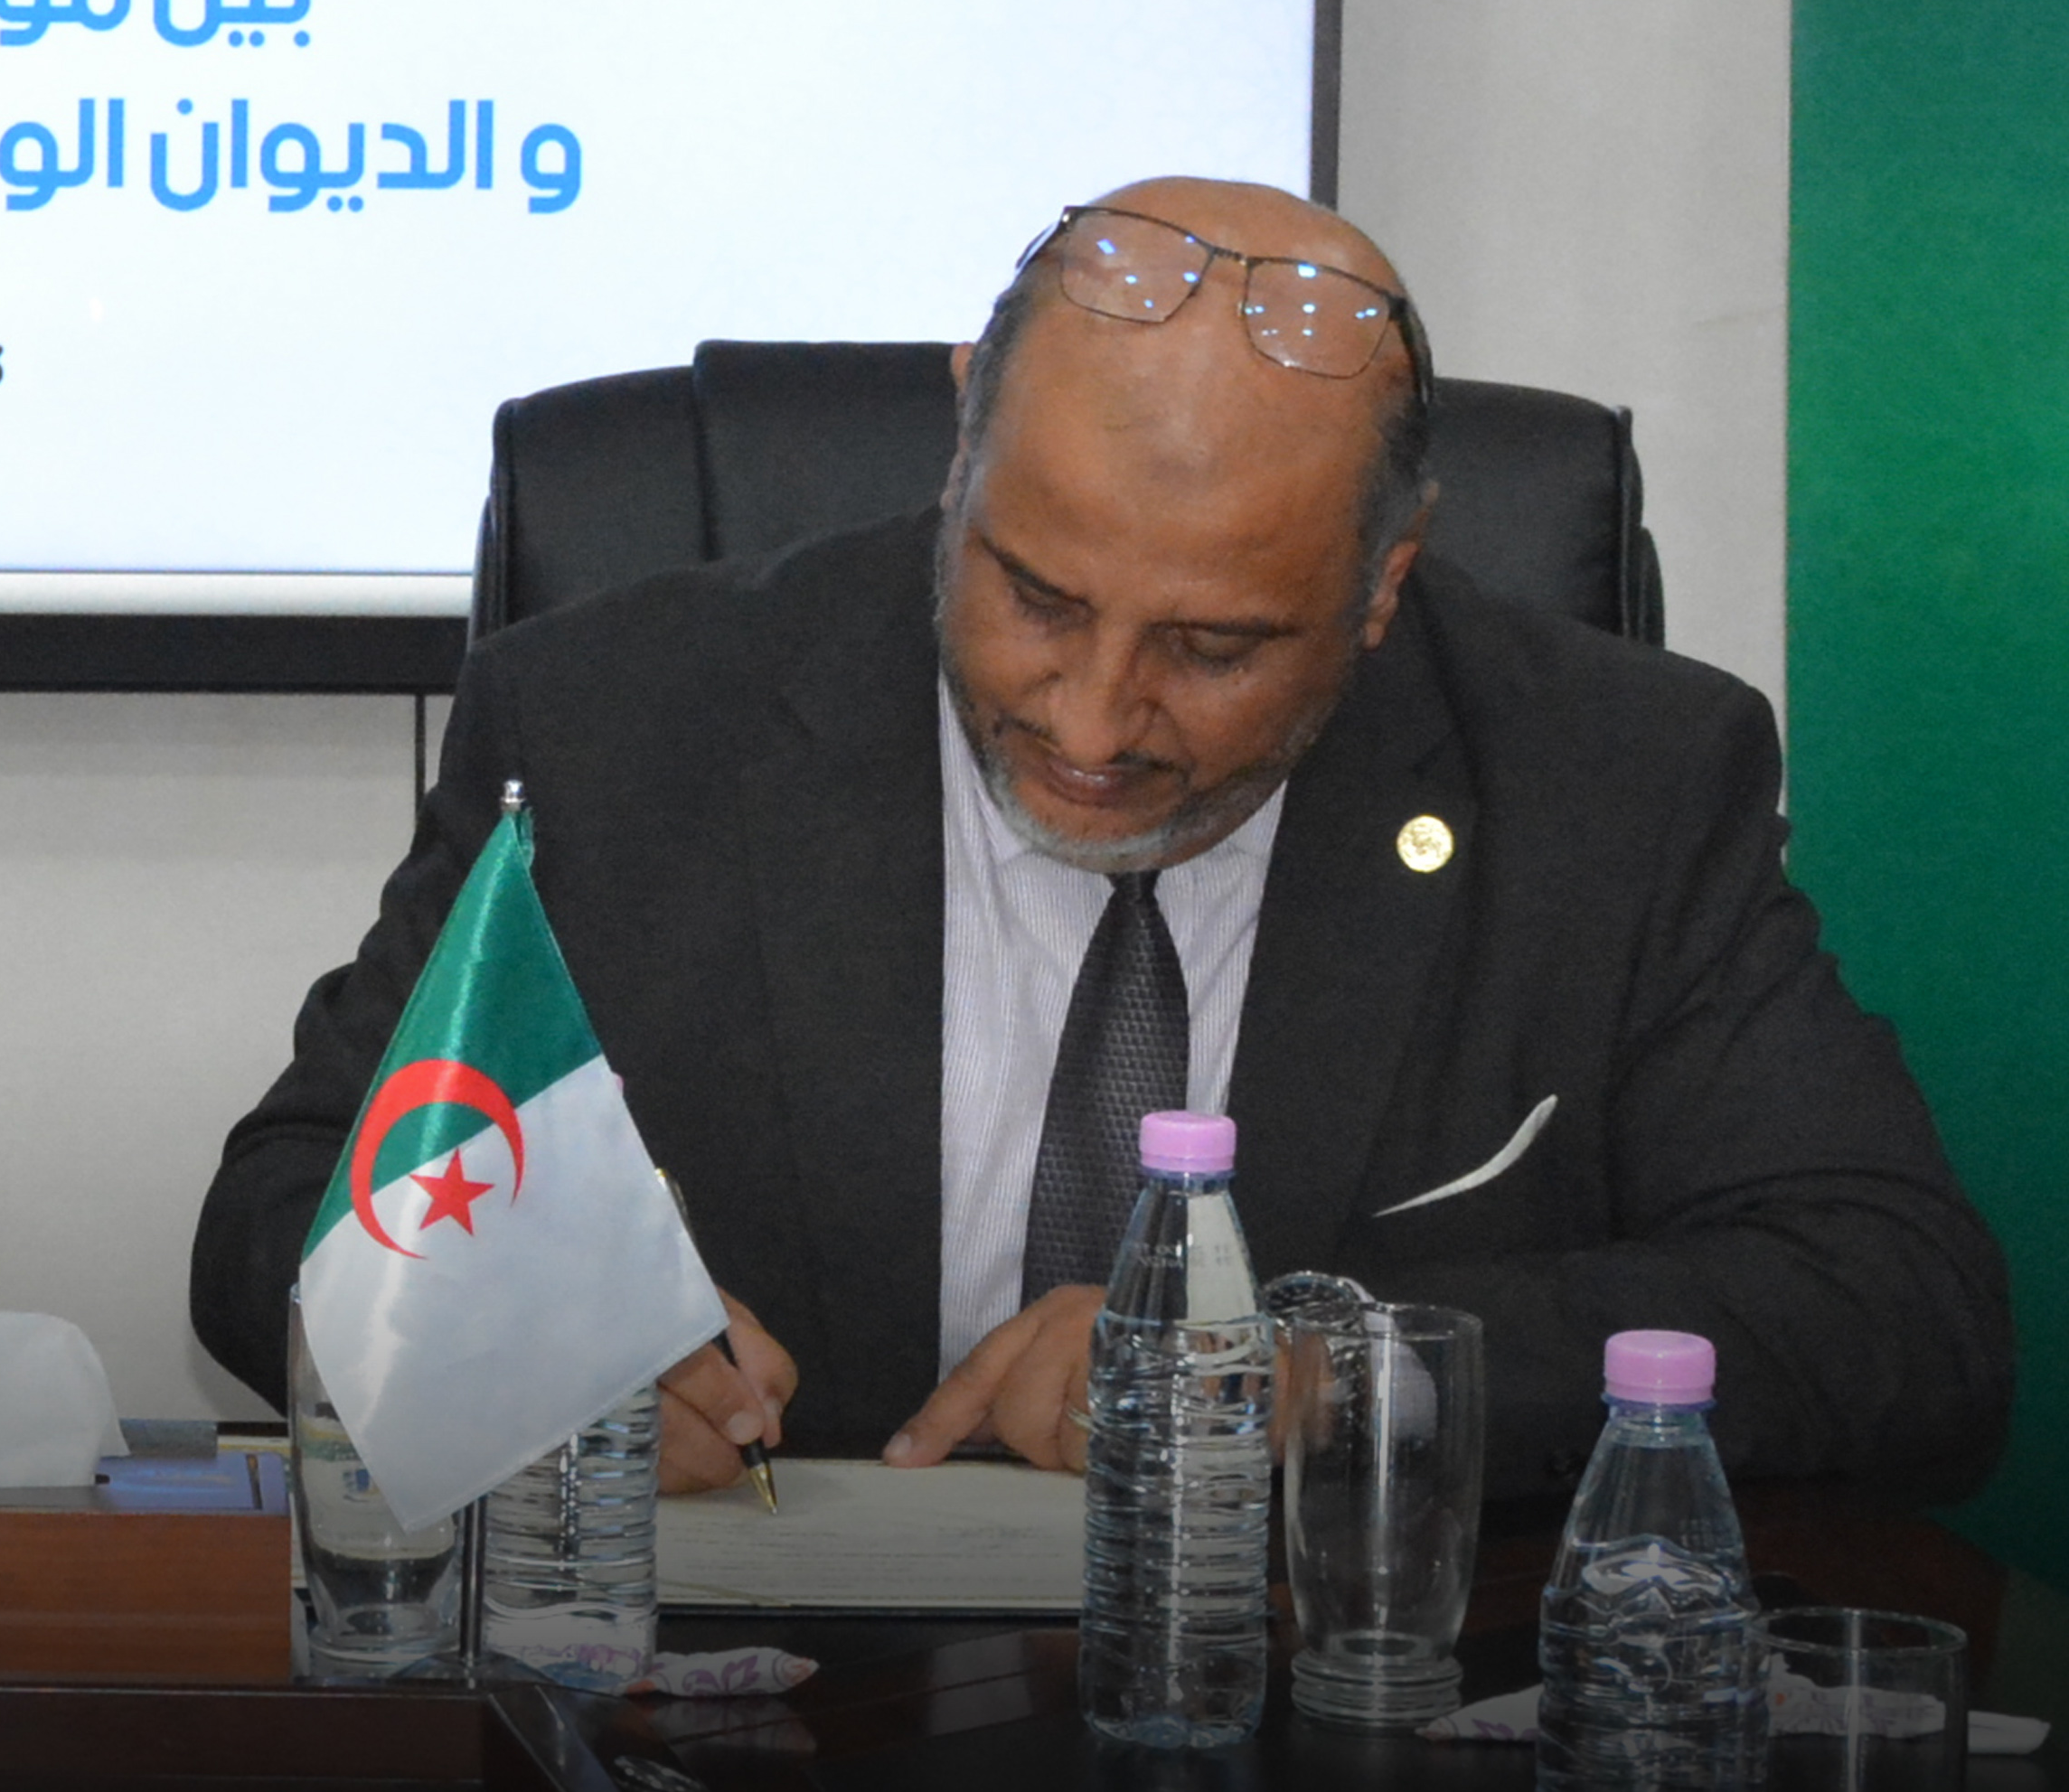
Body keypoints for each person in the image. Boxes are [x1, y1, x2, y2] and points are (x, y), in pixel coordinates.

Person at [193, 179, 2013, 1505]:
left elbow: (1900, 1313)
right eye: (1037, 597)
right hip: (734, 1738)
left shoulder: (1614, 783)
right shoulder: (616, 727)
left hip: (1327, 1756)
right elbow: (282, 1203)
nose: (1090, 718)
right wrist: (520, 1324)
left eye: (1213, 648)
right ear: (962, 446)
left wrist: (1317, 1373)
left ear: (1383, 584)